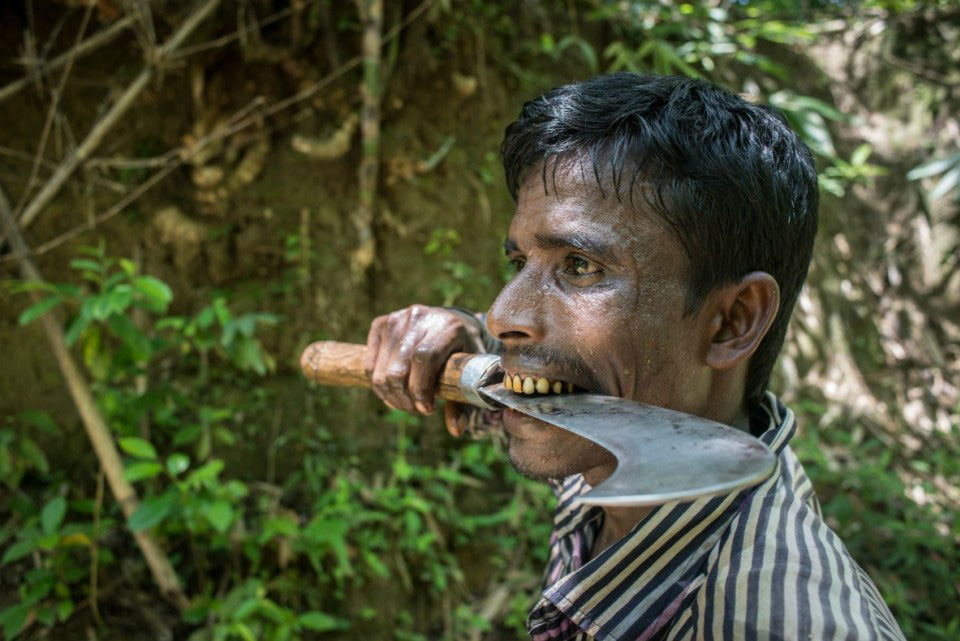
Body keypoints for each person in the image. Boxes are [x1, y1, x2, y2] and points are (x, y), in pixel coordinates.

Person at [362, 73, 905, 640]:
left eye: (580, 266)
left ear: (733, 320)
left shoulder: (779, 620)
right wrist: (465, 336)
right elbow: (514, 387)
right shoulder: (616, 434)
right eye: (519, 263)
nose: (503, 315)